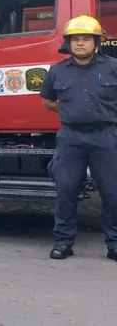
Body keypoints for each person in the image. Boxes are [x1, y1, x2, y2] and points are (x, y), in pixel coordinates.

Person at [40, 15, 117, 261]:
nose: (80, 44)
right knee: (66, 190)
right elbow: (49, 102)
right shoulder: (57, 72)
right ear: (69, 44)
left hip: (106, 136)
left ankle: (114, 244)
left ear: (97, 42)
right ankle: (63, 242)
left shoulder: (113, 67)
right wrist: (72, 112)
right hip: (71, 136)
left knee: (112, 192)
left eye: (86, 39)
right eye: (75, 40)